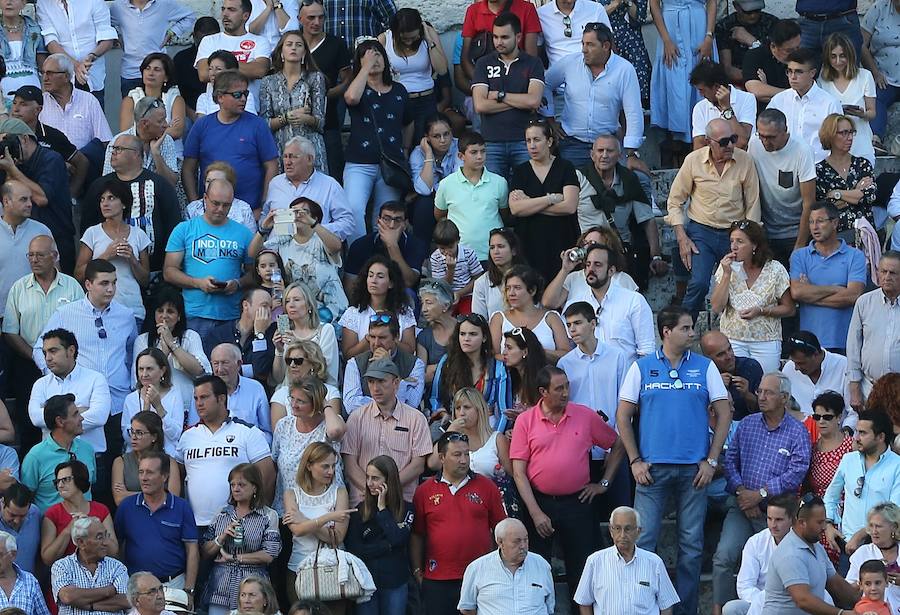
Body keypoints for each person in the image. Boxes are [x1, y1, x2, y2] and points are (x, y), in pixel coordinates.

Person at [616, 305, 731, 615]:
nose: (692, 333)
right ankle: (644, 609)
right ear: (666, 332)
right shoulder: (640, 367)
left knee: (691, 549)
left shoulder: (705, 366)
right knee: (644, 545)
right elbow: (622, 416)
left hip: (695, 472)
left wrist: (711, 460)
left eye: (692, 327)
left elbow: (724, 412)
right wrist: (634, 460)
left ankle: (684, 612)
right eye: (685, 328)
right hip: (650, 471)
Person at [510, 366, 625, 603]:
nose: (565, 393)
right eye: (559, 388)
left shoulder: (584, 415)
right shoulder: (525, 421)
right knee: (536, 569)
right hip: (539, 502)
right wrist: (536, 513)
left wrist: (603, 483)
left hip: (578, 502)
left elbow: (617, 444)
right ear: (543, 392)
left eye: (567, 386)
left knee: (583, 569)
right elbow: (518, 472)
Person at [713, 373, 812, 612]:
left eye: (768, 392)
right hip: (742, 504)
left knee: (777, 562)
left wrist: (760, 495)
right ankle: (719, 609)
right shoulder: (747, 424)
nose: (761, 397)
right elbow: (730, 460)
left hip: (778, 512)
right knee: (723, 556)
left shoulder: (797, 432)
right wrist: (742, 493)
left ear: (784, 398)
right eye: (759, 392)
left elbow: (797, 471)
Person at [666, 118, 761, 318]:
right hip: (702, 230)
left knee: (740, 283)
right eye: (724, 141)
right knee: (699, 282)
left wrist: (749, 239)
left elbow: (753, 204)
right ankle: (684, 328)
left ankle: (737, 331)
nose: (730, 145)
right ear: (709, 141)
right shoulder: (693, 160)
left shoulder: (745, 161)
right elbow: (675, 201)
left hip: (734, 231)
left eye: (733, 139)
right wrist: (682, 236)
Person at [411, 430, 506, 615]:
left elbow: (501, 530)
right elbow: (417, 535)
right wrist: (417, 572)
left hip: (480, 577)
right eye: (457, 454)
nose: (464, 460)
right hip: (437, 579)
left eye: (466, 454)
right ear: (442, 457)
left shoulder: (487, 487)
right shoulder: (424, 491)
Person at [175, 375, 275, 529]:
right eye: (195, 398)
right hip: (195, 524)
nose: (198, 404)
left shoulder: (247, 432)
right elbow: (177, 476)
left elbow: (267, 477)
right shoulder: (187, 436)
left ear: (221, 399)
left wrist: (254, 517)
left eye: (204, 397)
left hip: (238, 525)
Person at [570, 136, 666, 290]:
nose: (605, 155)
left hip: (619, 251)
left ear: (619, 155)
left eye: (610, 150)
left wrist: (656, 256)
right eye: (600, 150)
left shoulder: (629, 180)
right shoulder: (578, 178)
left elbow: (648, 220)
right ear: (592, 154)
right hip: (587, 251)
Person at [559, 302, 629, 511]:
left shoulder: (617, 357)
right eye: (569, 324)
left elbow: (625, 404)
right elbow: (565, 407)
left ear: (593, 323)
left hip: (614, 443)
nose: (572, 329)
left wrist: (615, 446)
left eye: (578, 323)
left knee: (620, 511)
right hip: (580, 451)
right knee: (586, 513)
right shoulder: (565, 364)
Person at [544, 22, 643, 170]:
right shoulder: (570, 63)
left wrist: (631, 152)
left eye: (590, 44)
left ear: (605, 46)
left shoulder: (624, 69)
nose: (584, 49)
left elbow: (633, 112)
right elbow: (544, 83)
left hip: (607, 145)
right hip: (572, 144)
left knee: (614, 190)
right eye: (583, 44)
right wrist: (550, 119)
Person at [164, 178, 255, 339]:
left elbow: (254, 274)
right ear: (205, 199)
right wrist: (197, 283)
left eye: (226, 205)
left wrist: (237, 283)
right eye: (215, 203)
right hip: (194, 314)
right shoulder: (185, 229)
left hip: (231, 315)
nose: (220, 209)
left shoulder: (244, 234)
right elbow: (169, 271)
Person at [342, 38, 413, 242]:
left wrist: (406, 149)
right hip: (359, 162)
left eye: (378, 54)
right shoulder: (358, 87)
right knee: (353, 210)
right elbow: (351, 99)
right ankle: (359, 258)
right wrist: (364, 70)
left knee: (385, 216)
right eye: (368, 55)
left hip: (391, 162)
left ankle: (381, 261)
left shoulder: (399, 90)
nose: (374, 59)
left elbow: (409, 122)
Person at [80, 134, 181, 274]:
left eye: (119, 149)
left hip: (155, 270)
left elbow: (173, 224)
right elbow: (87, 226)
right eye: (113, 148)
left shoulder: (160, 184)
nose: (113, 152)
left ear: (136, 154)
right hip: (106, 271)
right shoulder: (99, 186)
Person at [182, 70, 279, 212]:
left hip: (250, 211)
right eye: (237, 95)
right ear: (220, 97)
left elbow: (271, 166)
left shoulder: (258, 125)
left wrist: (263, 207)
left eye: (245, 94)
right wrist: (194, 204)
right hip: (211, 211)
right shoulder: (202, 126)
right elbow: (188, 168)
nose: (243, 99)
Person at [342, 358, 431, 505]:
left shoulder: (416, 419)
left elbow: (417, 465)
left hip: (400, 500)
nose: (375, 388)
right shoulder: (356, 418)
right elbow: (350, 462)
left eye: (381, 381)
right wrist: (371, 489)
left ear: (396, 383)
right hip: (363, 500)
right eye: (371, 382)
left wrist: (389, 489)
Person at [709, 220, 795, 373]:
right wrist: (727, 274)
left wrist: (761, 311)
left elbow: (789, 309)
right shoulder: (725, 268)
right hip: (732, 341)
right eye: (732, 241)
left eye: (740, 241)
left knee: (766, 385)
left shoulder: (775, 269)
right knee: (735, 385)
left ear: (754, 245)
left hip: (766, 341)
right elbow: (716, 307)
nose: (734, 246)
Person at [471, 13, 544, 181]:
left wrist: (499, 96)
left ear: (518, 37)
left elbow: (534, 101)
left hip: (525, 142)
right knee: (496, 196)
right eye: (495, 36)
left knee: (527, 192)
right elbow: (480, 105)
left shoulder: (533, 63)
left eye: (504, 37)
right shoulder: (483, 63)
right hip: (491, 142)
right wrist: (521, 101)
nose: (498, 42)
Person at [202, 463, 281, 615]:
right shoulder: (222, 514)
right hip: (221, 587)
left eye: (241, 485)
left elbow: (269, 554)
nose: (236, 489)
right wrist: (222, 536)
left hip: (253, 589)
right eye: (233, 485)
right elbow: (205, 552)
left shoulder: (268, 515)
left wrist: (234, 558)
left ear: (255, 488)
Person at [114, 451, 197, 594]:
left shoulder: (181, 507)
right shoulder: (126, 507)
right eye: (141, 472)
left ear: (164, 476)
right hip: (136, 586)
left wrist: (189, 590)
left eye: (150, 473)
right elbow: (116, 547)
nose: (144, 478)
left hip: (174, 585)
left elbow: (192, 550)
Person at [560, 243, 656, 367]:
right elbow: (570, 348)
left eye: (597, 265)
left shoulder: (633, 301)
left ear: (611, 271)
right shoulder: (574, 303)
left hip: (626, 381)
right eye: (588, 265)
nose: (591, 269)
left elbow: (646, 351)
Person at [789, 201, 867, 353]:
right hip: (809, 343)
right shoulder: (800, 256)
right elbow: (797, 292)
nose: (814, 227)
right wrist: (836, 289)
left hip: (844, 341)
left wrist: (810, 292)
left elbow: (853, 296)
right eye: (811, 222)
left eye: (820, 221)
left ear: (835, 223)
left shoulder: (855, 256)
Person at [508, 120, 579, 285]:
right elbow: (516, 209)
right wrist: (550, 199)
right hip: (528, 244)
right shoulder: (521, 171)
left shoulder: (565, 167)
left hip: (561, 240)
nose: (532, 145)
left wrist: (530, 204)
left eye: (536, 140)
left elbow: (569, 206)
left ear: (549, 141)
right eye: (528, 141)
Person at [763, 494, 861, 613]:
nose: (824, 527)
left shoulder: (817, 547)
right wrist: (841, 613)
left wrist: (865, 602)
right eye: (819, 522)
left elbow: (836, 584)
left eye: (824, 521)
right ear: (802, 523)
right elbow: (803, 600)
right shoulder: (790, 554)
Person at [0, 118, 76, 273]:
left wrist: (12, 169)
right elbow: (7, 199)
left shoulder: (51, 159)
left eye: (9, 142)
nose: (7, 148)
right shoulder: (10, 164)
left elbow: (42, 198)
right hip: (23, 241)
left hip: (56, 239)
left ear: (25, 138)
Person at [253, 197, 348, 321]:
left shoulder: (323, 239)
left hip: (334, 313)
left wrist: (312, 223)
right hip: (300, 315)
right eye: (293, 212)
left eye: (303, 212)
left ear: (315, 218)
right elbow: (253, 253)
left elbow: (336, 247)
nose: (297, 216)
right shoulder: (285, 240)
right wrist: (263, 229)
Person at [824, 411, 900, 563]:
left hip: (881, 549)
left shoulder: (897, 465)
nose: (856, 438)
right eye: (857, 431)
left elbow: (894, 511)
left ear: (880, 437)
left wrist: (862, 534)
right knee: (847, 587)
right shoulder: (848, 460)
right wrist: (828, 524)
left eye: (863, 433)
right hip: (847, 546)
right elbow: (831, 496)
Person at [282, 442, 352, 605]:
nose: (331, 471)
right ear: (309, 466)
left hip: (333, 568)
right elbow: (297, 531)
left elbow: (337, 537)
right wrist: (329, 517)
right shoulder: (291, 494)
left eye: (334, 466)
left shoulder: (339, 492)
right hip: (299, 568)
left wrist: (305, 520)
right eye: (325, 466)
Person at [575, 506, 680, 615]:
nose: (622, 535)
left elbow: (667, 605)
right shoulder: (595, 561)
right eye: (617, 528)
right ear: (611, 531)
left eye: (628, 529)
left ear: (638, 531)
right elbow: (584, 602)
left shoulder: (654, 563)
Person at [344, 455, 414, 615]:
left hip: (395, 582)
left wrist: (382, 509)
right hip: (367, 583)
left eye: (375, 478)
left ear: (389, 480)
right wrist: (387, 546)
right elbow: (355, 550)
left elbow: (399, 539)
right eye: (367, 477)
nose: (369, 483)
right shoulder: (361, 510)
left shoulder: (407, 509)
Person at [76, 179, 151, 323]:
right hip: (99, 310)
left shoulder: (139, 235)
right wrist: (106, 256)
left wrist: (132, 259)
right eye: (102, 199)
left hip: (132, 310)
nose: (105, 203)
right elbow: (79, 274)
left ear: (123, 203)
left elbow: (145, 280)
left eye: (111, 198)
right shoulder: (92, 233)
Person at [749, 109, 817, 264]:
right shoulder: (754, 144)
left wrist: (800, 244)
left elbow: (809, 202)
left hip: (795, 230)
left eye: (771, 137)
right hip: (765, 230)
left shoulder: (802, 150)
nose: (765, 142)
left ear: (785, 131)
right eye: (762, 136)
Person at [28, 328, 110, 455]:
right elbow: (35, 418)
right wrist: (78, 412)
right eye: (45, 353)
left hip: (91, 458)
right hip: (52, 460)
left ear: (71, 350)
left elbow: (99, 416)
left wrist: (54, 417)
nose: (47, 358)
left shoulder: (96, 379)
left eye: (53, 351)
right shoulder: (40, 384)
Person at [271, 375, 345, 516]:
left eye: (301, 401)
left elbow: (335, 431)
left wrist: (325, 404)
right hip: (289, 509)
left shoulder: (330, 423)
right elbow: (274, 461)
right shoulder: (284, 425)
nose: (294, 404)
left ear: (315, 403)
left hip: (325, 508)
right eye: (292, 398)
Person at [132, 286, 210, 415]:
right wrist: (163, 354)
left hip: (187, 404)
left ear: (179, 316)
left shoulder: (190, 336)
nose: (164, 316)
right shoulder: (143, 340)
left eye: (170, 311)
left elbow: (199, 370)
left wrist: (172, 344)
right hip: (153, 405)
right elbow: (138, 379)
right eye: (160, 311)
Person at [433, 130, 509, 264]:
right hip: (460, 257)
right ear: (461, 156)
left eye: (483, 151)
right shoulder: (446, 184)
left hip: (492, 255)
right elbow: (440, 215)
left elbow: (504, 213)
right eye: (474, 152)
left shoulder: (499, 182)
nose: (480, 156)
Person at [648, 0, 716, 148]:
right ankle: (674, 142)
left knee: (701, 73)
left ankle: (703, 134)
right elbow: (654, 5)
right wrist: (666, 40)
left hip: (699, 26)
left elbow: (712, 2)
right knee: (673, 75)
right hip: (670, 28)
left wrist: (709, 36)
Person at [262, 137, 353, 242]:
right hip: (278, 250)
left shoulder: (329, 185)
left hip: (315, 249)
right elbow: (264, 217)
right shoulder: (275, 183)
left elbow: (347, 222)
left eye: (293, 157)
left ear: (309, 159)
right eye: (285, 157)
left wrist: (317, 229)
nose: (287, 162)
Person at [458, 517, 554, 615]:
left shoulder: (541, 565)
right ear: (500, 542)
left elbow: (550, 606)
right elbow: (467, 608)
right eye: (517, 541)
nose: (523, 546)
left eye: (525, 539)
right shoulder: (477, 568)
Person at [258, 31, 327, 169]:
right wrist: (287, 117)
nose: (294, 48)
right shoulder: (268, 82)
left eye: (299, 45)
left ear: (304, 53)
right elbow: (264, 124)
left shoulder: (315, 78)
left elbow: (320, 123)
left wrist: (306, 118)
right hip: (280, 149)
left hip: (309, 147)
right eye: (289, 44)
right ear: (282, 52)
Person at [298, 0, 350, 181]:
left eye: (321, 17)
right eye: (311, 17)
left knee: (332, 174)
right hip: (295, 122)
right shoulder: (293, 43)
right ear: (300, 18)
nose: (316, 22)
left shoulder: (336, 44)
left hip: (328, 120)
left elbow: (347, 80)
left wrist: (325, 95)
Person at [376, 9, 446, 143]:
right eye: (404, 38)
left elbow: (442, 69)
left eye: (413, 38)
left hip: (425, 99)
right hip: (397, 99)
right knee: (400, 144)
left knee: (426, 145)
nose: (409, 42)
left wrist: (429, 41)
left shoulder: (428, 35)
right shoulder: (384, 39)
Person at [720, 495, 798, 615]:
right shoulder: (756, 542)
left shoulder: (802, 542)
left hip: (793, 604)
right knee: (731, 608)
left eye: (778, 520)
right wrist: (765, 602)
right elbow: (744, 586)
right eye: (769, 518)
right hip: (761, 604)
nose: (773, 525)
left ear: (792, 520)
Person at [430, 314, 512, 425]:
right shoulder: (447, 362)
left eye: (473, 334)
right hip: (454, 423)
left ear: (484, 337)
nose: (466, 339)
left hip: (486, 426)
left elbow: (505, 412)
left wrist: (494, 438)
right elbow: (435, 398)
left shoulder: (497, 367)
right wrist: (443, 414)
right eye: (462, 334)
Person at [20, 394, 96, 512]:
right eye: (76, 414)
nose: (82, 418)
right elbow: (26, 498)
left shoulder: (87, 449)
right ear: (60, 421)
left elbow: (91, 487)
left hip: (86, 526)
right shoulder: (35, 457)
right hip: (52, 527)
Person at [9, 86, 90, 197]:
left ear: (38, 109)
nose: (16, 109)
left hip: (47, 199)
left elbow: (82, 162)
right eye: (14, 103)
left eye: (23, 104)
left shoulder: (53, 136)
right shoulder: (5, 135)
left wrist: (70, 195)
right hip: (12, 200)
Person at [767, 48, 843, 163]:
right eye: (789, 71)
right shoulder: (778, 101)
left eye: (798, 72)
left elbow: (838, 141)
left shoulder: (830, 103)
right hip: (784, 165)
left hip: (819, 167)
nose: (792, 77)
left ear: (812, 73)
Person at [847, 251, 900, 412]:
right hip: (869, 387)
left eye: (893, 273)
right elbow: (853, 346)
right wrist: (854, 389)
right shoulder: (864, 302)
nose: (887, 277)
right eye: (883, 271)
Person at [342, 313, 425, 414]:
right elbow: (350, 405)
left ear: (396, 337)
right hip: (366, 425)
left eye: (382, 337)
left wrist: (390, 367)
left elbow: (412, 404)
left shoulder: (415, 364)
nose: (376, 343)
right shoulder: (354, 363)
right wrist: (387, 403)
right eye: (372, 337)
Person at [187, 344, 272, 443]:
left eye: (225, 363)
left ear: (239, 364)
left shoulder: (255, 389)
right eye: (215, 363)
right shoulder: (201, 391)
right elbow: (193, 429)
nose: (220, 369)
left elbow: (267, 432)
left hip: (249, 451)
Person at [804, 391, 854, 560]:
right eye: (817, 417)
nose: (821, 421)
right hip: (819, 514)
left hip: (848, 514)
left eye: (827, 417)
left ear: (839, 418)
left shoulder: (851, 447)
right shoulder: (811, 449)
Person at [40, 460, 117, 566]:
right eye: (57, 482)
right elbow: (47, 558)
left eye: (65, 480)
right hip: (65, 574)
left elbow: (113, 552)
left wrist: (93, 527)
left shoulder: (101, 510)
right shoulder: (52, 513)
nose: (60, 485)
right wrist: (69, 530)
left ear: (79, 479)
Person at [815, 114, 878, 244]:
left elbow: (869, 197)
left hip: (864, 236)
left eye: (851, 132)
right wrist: (856, 192)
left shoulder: (862, 164)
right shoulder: (819, 170)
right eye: (843, 133)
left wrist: (837, 193)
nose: (849, 138)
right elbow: (826, 207)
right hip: (834, 239)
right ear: (830, 135)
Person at [338, 255, 416, 359]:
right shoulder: (353, 313)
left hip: (397, 371)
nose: (373, 280)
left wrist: (390, 340)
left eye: (380, 276)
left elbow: (410, 351)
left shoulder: (404, 312)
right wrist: (368, 339)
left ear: (391, 283)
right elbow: (348, 355)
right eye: (370, 276)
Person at [36, 0, 116, 100]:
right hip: (61, 79)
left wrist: (91, 57)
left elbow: (107, 40)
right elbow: (51, 42)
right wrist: (76, 66)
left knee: (94, 113)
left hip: (92, 75)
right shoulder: (43, 3)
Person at [51, 516, 130, 615]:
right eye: (99, 537)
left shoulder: (117, 566)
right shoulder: (61, 566)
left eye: (106, 536)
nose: (106, 542)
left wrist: (91, 606)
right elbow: (67, 596)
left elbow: (126, 600)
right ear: (81, 543)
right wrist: (108, 591)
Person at [195, 0, 271, 102]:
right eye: (223, 9)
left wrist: (218, 66)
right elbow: (204, 74)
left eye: (231, 10)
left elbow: (259, 70)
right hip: (215, 108)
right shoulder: (209, 40)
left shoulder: (260, 41)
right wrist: (246, 67)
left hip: (249, 108)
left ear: (245, 16)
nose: (225, 14)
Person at [818, 34, 877, 164]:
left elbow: (872, 112)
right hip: (833, 146)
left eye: (842, 55)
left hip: (860, 142)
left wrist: (862, 114)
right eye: (833, 56)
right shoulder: (822, 80)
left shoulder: (865, 76)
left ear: (849, 55)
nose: (838, 61)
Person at [488, 267, 569, 362]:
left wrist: (536, 351)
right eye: (508, 288)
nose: (511, 293)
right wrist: (518, 357)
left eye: (517, 288)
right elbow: (492, 355)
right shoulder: (499, 318)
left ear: (532, 290)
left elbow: (566, 354)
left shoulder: (551, 317)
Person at [345, 200, 428, 292]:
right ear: (378, 221)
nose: (391, 225)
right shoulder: (360, 245)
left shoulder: (416, 244)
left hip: (400, 295)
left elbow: (408, 282)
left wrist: (392, 245)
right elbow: (350, 286)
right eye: (387, 219)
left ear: (405, 224)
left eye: (398, 220)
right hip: (369, 294)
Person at [38, 53, 112, 153]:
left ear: (66, 76)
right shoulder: (40, 103)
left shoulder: (89, 101)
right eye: (43, 73)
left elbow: (104, 141)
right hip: (50, 165)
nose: (45, 78)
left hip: (84, 163)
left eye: (50, 73)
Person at [116, 53, 189, 154]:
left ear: (166, 77)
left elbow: (177, 131)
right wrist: (164, 130)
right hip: (138, 154)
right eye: (147, 68)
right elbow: (127, 133)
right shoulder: (131, 99)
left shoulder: (176, 98)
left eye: (157, 69)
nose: (150, 73)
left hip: (170, 153)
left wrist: (144, 132)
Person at [270, 282, 339, 386]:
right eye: (287, 301)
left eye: (297, 300)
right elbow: (278, 379)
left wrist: (297, 345)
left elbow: (324, 372)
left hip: (318, 392)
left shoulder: (326, 330)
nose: (291, 305)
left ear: (309, 305)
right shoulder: (285, 333)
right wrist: (279, 351)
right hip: (288, 393)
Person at [204, 287, 276, 386]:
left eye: (270, 308)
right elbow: (216, 371)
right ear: (246, 305)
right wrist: (251, 369)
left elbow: (261, 371)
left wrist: (260, 334)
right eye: (264, 306)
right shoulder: (219, 334)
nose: (268, 312)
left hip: (255, 392)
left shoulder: (270, 333)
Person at [102, 98, 179, 187]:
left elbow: (171, 183)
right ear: (144, 124)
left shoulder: (167, 140)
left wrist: (156, 154)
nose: (166, 125)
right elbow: (107, 183)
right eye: (160, 121)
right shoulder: (117, 143)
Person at [782, 331, 854, 425]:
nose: (796, 368)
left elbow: (853, 412)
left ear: (815, 354)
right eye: (794, 362)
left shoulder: (843, 366)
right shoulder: (788, 368)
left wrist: (846, 432)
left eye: (801, 363)